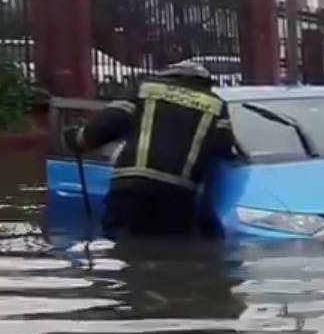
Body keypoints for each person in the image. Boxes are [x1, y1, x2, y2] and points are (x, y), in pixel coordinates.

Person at [68, 60, 240, 239]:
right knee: (170, 251)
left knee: (122, 246)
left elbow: (107, 124)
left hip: (131, 188)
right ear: (204, 82)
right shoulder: (216, 105)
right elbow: (223, 148)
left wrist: (77, 140)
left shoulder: (145, 90)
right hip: (177, 195)